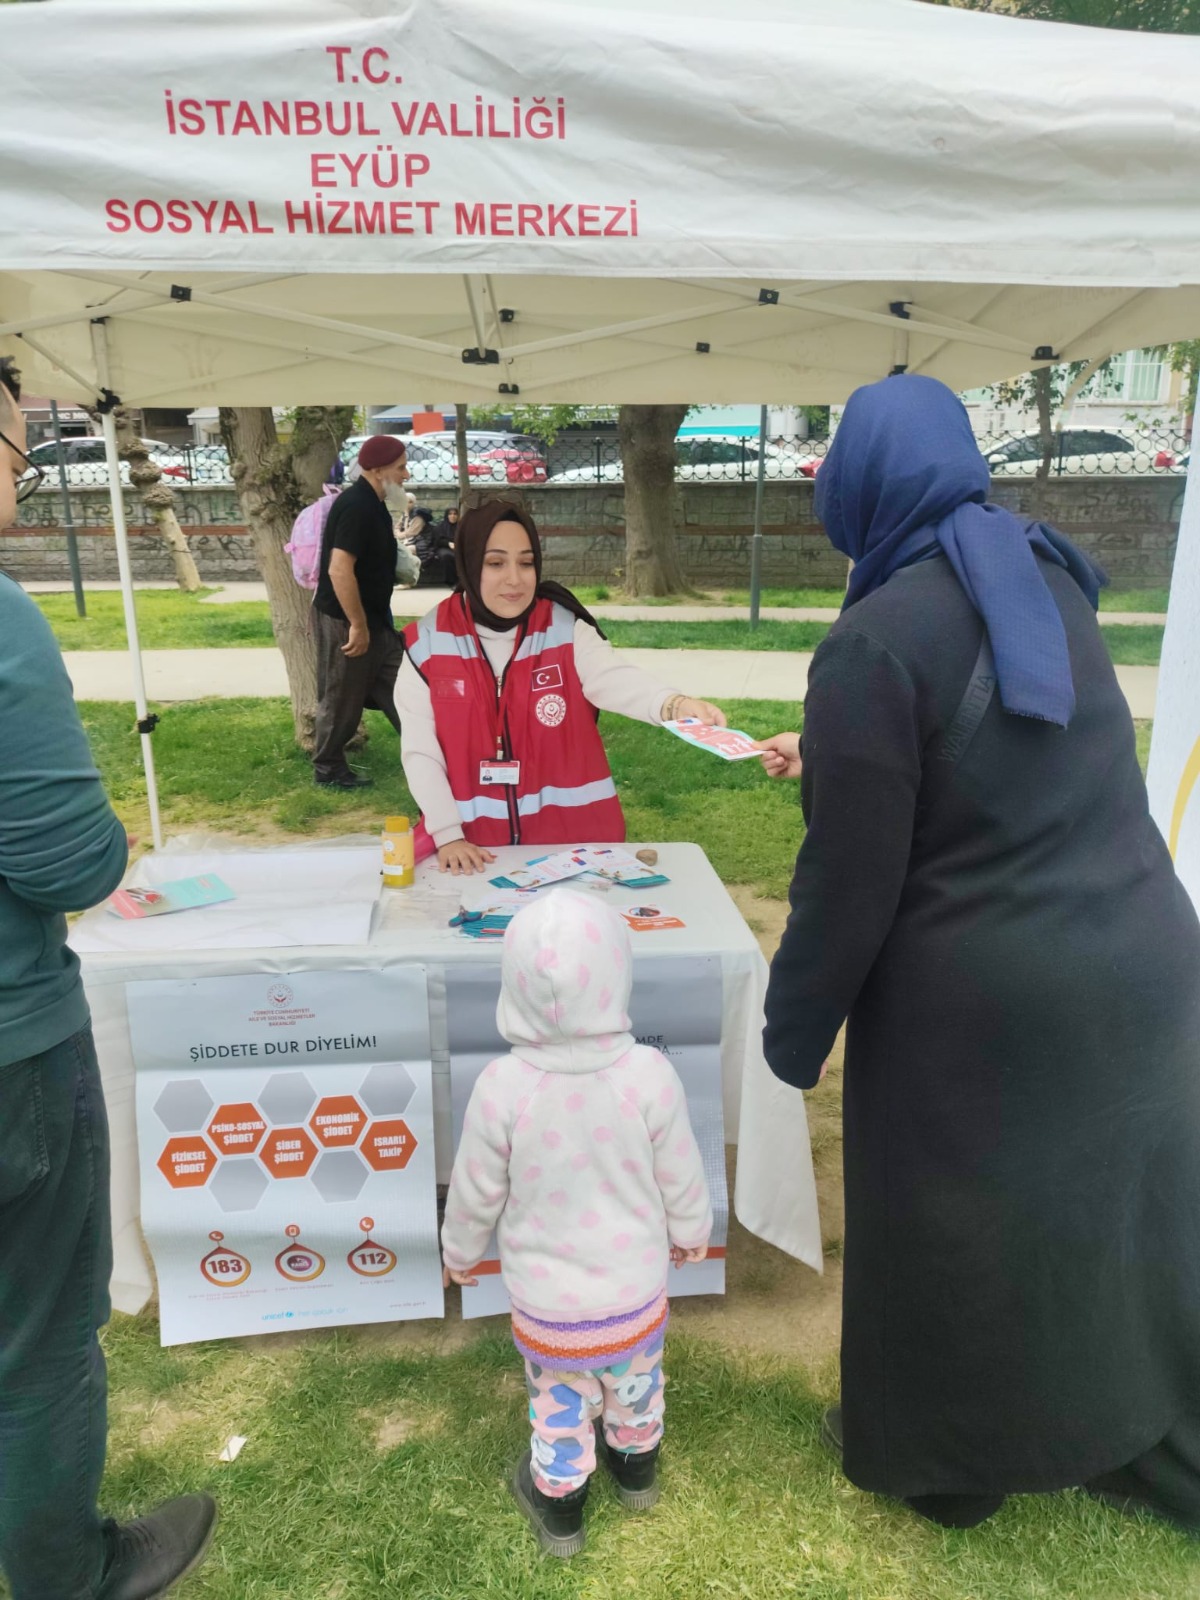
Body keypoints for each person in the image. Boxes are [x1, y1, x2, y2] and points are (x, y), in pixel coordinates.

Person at [757, 373, 1200, 1531]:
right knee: (1104, 1217)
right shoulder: (1046, 575)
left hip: (990, 1006)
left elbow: (846, 890)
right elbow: (1009, 758)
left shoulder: (875, 636)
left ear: (858, 484)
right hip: (1145, 962)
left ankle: (954, 1467)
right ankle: (1145, 1432)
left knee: (953, 1224)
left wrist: (790, 1035)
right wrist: (846, 758)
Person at [0, 357, 218, 1597]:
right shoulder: (3, 619)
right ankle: (65, 1572)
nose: (25, 486)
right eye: (21, 448)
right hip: (13, 1052)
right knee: (36, 1344)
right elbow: (71, 857)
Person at [441, 892, 712, 1558]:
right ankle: (635, 1467)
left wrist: (459, 1251)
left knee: (559, 1407)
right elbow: (681, 1169)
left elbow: (476, 1189)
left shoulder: (502, 1087)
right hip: (634, 1293)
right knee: (637, 1384)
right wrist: (691, 1230)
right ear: (618, 973)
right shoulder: (648, 1074)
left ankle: (560, 1507)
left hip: (550, 1307)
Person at [395, 500, 726, 874]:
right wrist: (447, 834)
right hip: (475, 852)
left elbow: (613, 677)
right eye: (495, 563)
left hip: (575, 847)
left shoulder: (563, 627)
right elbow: (420, 751)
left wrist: (674, 705)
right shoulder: (426, 642)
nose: (515, 579)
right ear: (470, 565)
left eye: (526, 562)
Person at [311, 434, 411, 789]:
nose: (406, 475)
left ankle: (428, 755)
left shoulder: (375, 503)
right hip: (346, 621)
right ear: (378, 469)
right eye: (401, 467)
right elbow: (339, 570)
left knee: (407, 689)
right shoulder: (357, 505)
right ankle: (328, 769)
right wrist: (357, 624)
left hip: (375, 620)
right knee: (343, 698)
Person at [412, 502, 458, 588]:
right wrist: (448, 543)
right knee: (447, 556)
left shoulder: (461, 526)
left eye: (455, 514)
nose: (453, 516)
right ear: (447, 515)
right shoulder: (440, 527)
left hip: (459, 548)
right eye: (450, 514)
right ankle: (452, 582)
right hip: (443, 548)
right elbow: (437, 540)